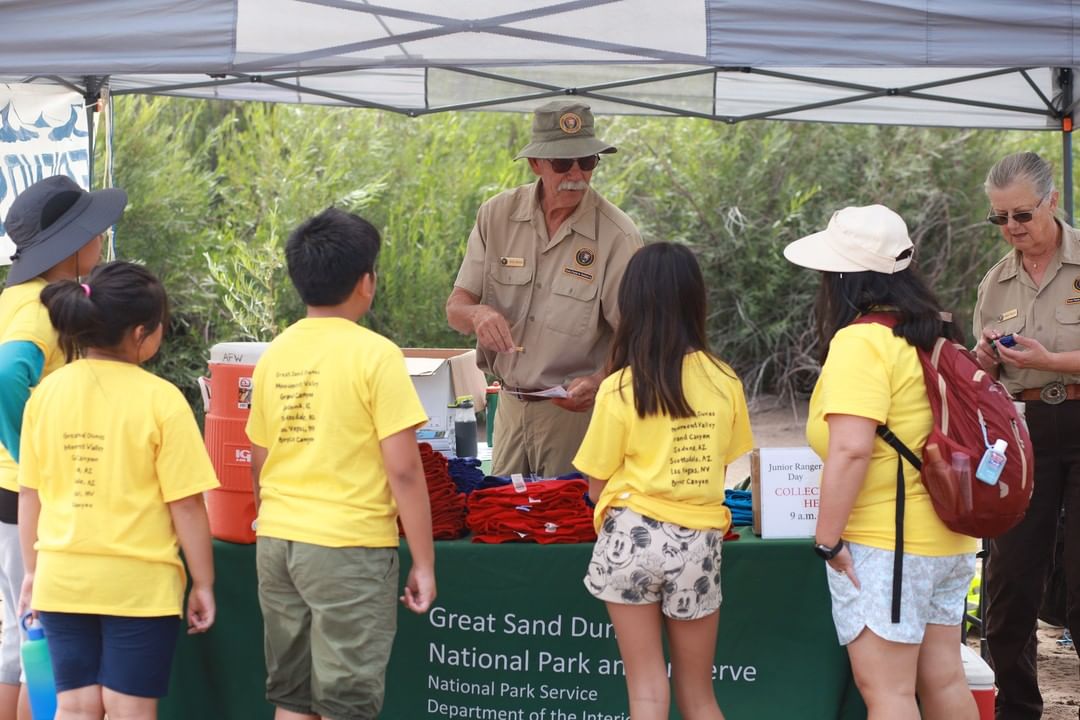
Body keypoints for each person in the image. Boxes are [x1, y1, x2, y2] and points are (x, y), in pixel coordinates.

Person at [784, 205, 978, 720]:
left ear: (843, 277)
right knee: (944, 680)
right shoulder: (935, 331)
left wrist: (828, 541)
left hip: (888, 543)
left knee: (888, 692)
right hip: (948, 536)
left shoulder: (862, 340)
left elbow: (851, 448)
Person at [246, 207, 436, 720]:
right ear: (365, 281)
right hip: (348, 547)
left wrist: (271, 519)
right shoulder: (377, 355)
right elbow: (404, 470)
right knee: (345, 704)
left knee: (292, 698)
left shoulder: (274, 354)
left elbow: (259, 459)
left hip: (278, 544)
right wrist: (423, 562)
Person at [15, 261, 218, 720]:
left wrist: (32, 572)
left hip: (61, 580)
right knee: (129, 710)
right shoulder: (162, 399)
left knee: (75, 708)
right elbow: (187, 504)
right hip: (139, 588)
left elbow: (31, 494)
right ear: (141, 333)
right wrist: (203, 582)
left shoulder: (45, 394)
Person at [573, 243, 753, 720]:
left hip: (629, 540)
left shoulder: (619, 387)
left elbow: (595, 487)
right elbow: (723, 469)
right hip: (698, 543)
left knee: (647, 693)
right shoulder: (725, 381)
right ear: (696, 300)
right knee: (700, 696)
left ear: (631, 304)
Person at [446, 100, 643, 478]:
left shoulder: (618, 235)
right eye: (562, 163)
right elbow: (456, 308)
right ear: (536, 163)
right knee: (502, 511)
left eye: (587, 161)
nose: (576, 174)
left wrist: (599, 380)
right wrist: (479, 314)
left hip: (576, 419)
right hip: (508, 409)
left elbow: (638, 335)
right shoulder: (496, 215)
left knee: (569, 514)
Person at [0, 175, 126, 720]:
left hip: (9, 492)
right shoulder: (41, 308)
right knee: (41, 638)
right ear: (71, 245)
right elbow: (7, 375)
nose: (100, 240)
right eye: (93, 232)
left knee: (17, 635)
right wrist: (30, 456)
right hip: (26, 493)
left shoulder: (14, 298)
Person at [972, 151, 1080, 720]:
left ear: (1052, 201)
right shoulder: (996, 283)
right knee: (1010, 578)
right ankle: (1015, 707)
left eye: (1021, 214)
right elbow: (985, 375)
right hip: (1023, 431)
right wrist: (985, 359)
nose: (1012, 227)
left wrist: (1051, 360)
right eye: (1000, 218)